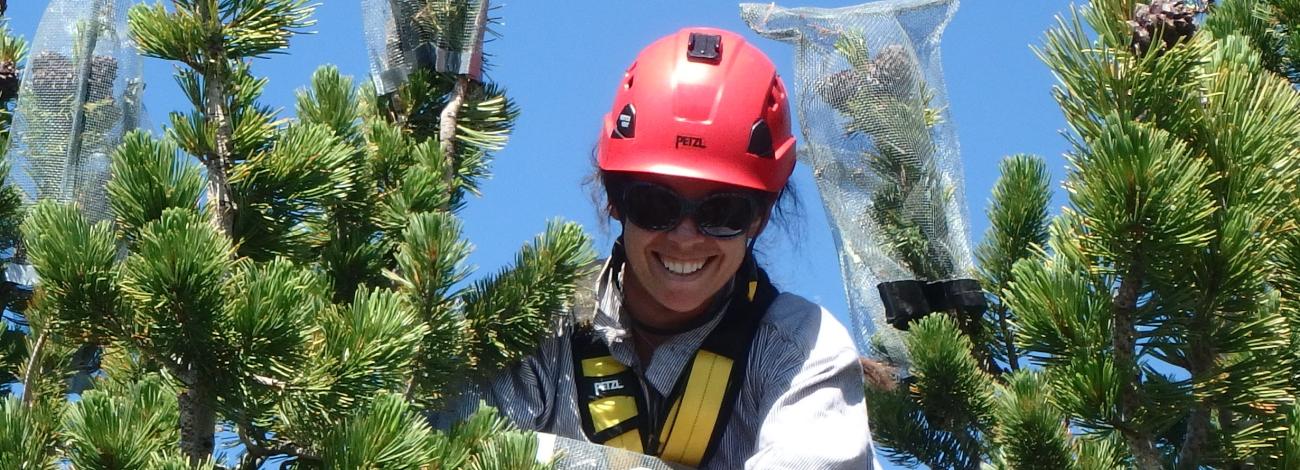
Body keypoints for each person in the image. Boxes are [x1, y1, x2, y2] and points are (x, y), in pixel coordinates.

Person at [481, 27, 876, 469]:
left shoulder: (804, 348)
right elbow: (458, 452)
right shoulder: (533, 324)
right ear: (616, 200)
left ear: (759, 219)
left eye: (723, 211)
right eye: (656, 204)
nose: (686, 236)